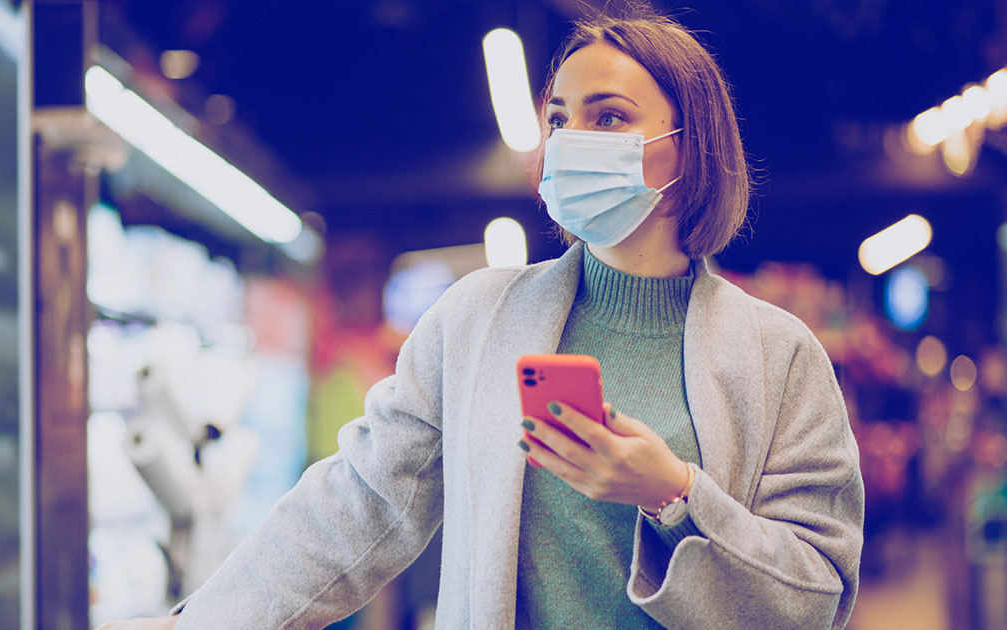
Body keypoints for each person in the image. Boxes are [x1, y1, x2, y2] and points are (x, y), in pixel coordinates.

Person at [100, 7, 864, 630]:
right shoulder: (476, 320)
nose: (571, 142)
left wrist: (672, 494)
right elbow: (359, 502)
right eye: (560, 119)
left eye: (609, 116)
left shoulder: (779, 356)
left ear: (687, 150)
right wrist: (205, 621)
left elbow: (815, 593)